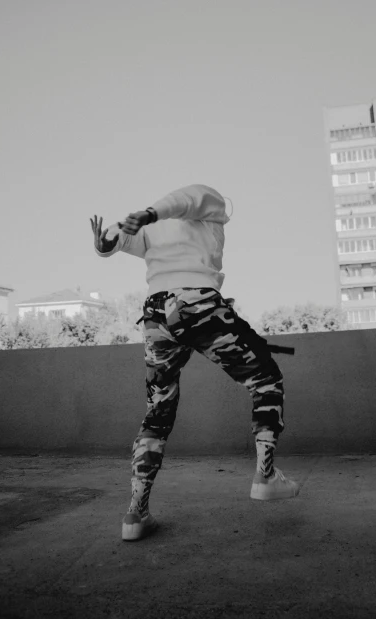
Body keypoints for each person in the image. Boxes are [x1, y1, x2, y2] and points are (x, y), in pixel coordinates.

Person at [90, 184, 299, 542]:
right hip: (196, 303)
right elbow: (189, 199)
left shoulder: (154, 231)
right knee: (265, 378)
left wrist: (104, 244)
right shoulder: (208, 204)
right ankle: (265, 474)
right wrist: (150, 213)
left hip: (157, 314)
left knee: (157, 412)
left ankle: (135, 514)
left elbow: (117, 240)